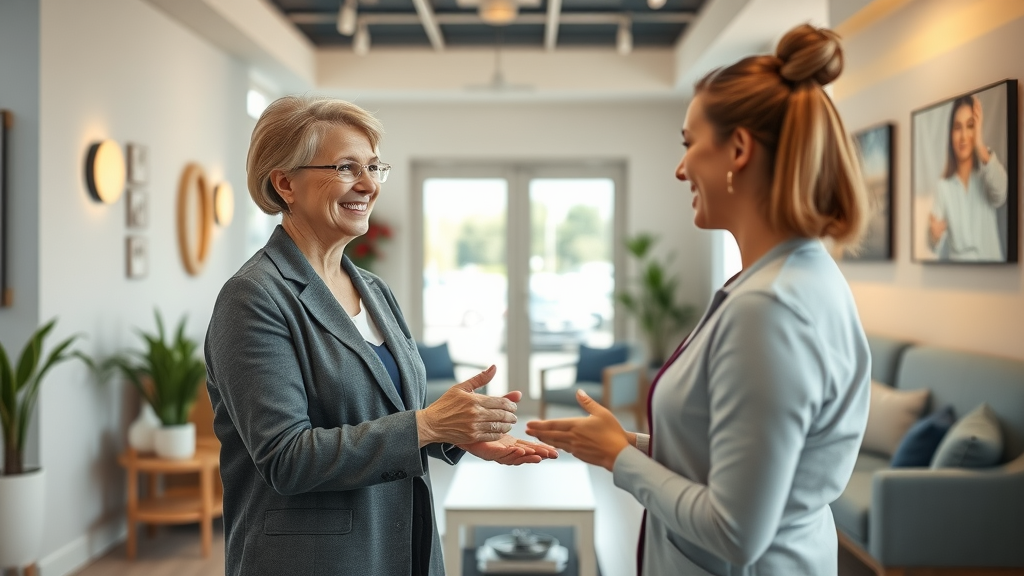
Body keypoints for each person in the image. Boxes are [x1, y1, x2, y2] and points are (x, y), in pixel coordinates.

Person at [527, 24, 871, 575]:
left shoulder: (770, 310)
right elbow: (729, 461)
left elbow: (734, 533)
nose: (681, 169)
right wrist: (623, 441)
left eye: (689, 145)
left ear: (737, 149)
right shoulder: (784, 279)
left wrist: (617, 457)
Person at [205, 95, 557, 576]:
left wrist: (453, 433)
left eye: (374, 167)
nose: (368, 185)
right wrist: (428, 424)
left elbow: (385, 414)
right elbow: (288, 458)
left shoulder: (374, 291)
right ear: (285, 183)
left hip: (402, 548)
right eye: (347, 167)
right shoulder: (253, 297)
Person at [927, 94, 1008, 261]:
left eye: (970, 126)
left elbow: (1001, 193)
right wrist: (934, 235)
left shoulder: (987, 176)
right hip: (959, 276)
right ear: (950, 134)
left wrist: (979, 144)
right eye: (957, 127)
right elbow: (933, 244)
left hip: (995, 276)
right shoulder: (944, 187)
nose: (963, 136)